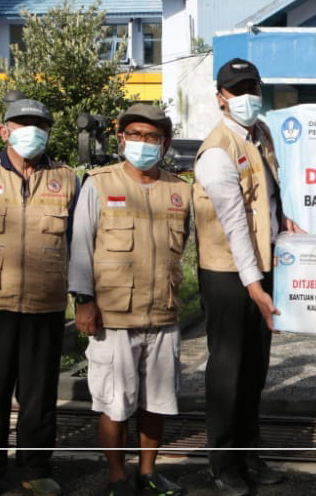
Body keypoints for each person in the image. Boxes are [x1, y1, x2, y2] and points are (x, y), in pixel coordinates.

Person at [0, 98, 79, 496]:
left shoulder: (67, 179)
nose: (31, 132)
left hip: (45, 302)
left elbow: (73, 237)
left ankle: (35, 467)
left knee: (38, 393)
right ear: (4, 131)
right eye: (22, 124)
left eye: (39, 125)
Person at [69, 104, 192, 496]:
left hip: (162, 314)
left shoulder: (179, 190)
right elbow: (80, 245)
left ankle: (148, 472)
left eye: (152, 136)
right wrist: (83, 300)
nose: (143, 142)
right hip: (113, 317)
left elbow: (183, 246)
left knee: (157, 403)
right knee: (115, 403)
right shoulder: (98, 184)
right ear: (121, 139)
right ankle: (117, 476)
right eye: (135, 134)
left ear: (165, 144)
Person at [193, 58, 299, 496]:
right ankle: (223, 463)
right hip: (228, 275)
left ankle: (249, 455)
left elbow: (265, 199)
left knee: (255, 369)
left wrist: (283, 223)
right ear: (221, 98)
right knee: (228, 371)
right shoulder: (217, 150)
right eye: (237, 90)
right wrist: (254, 287)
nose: (246, 97)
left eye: (251, 88)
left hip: (262, 266)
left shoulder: (260, 135)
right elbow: (236, 225)